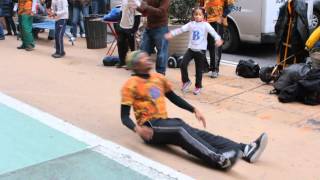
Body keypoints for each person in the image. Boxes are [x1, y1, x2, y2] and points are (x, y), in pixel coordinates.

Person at [120, 50, 268, 170]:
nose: (147, 59)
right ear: (135, 65)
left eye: (147, 57)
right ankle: (218, 158)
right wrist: (137, 130)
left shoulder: (158, 77)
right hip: (150, 127)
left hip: (163, 123)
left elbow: (173, 97)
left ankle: (245, 150)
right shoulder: (130, 84)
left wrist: (193, 109)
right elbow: (124, 117)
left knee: (197, 133)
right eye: (143, 59)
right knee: (180, 129)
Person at [165, 8, 223, 95]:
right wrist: (171, 34)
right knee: (182, 64)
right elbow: (181, 29)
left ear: (203, 16)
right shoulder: (191, 24)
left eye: (200, 14)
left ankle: (198, 86)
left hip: (200, 51)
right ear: (193, 15)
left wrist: (218, 39)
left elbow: (213, 32)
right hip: (191, 50)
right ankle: (186, 81)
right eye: (196, 14)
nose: (197, 16)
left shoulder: (206, 25)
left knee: (199, 70)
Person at [200, 0, 235, 78]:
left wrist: (223, 16)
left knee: (215, 45)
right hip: (204, 20)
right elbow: (201, 4)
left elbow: (231, 6)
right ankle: (204, 66)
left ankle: (215, 69)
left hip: (217, 21)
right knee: (200, 44)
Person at [134, 0, 170, 75]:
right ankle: (142, 72)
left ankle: (160, 74)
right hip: (149, 28)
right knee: (143, 51)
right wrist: (135, 5)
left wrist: (147, 7)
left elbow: (161, 12)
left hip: (161, 28)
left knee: (162, 53)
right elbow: (144, 11)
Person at [115, 0, 141, 68]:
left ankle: (132, 64)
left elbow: (138, 17)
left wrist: (133, 30)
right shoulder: (124, 1)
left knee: (132, 47)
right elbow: (121, 12)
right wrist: (118, 25)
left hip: (131, 28)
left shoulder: (136, 2)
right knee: (120, 43)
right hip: (122, 27)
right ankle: (122, 61)